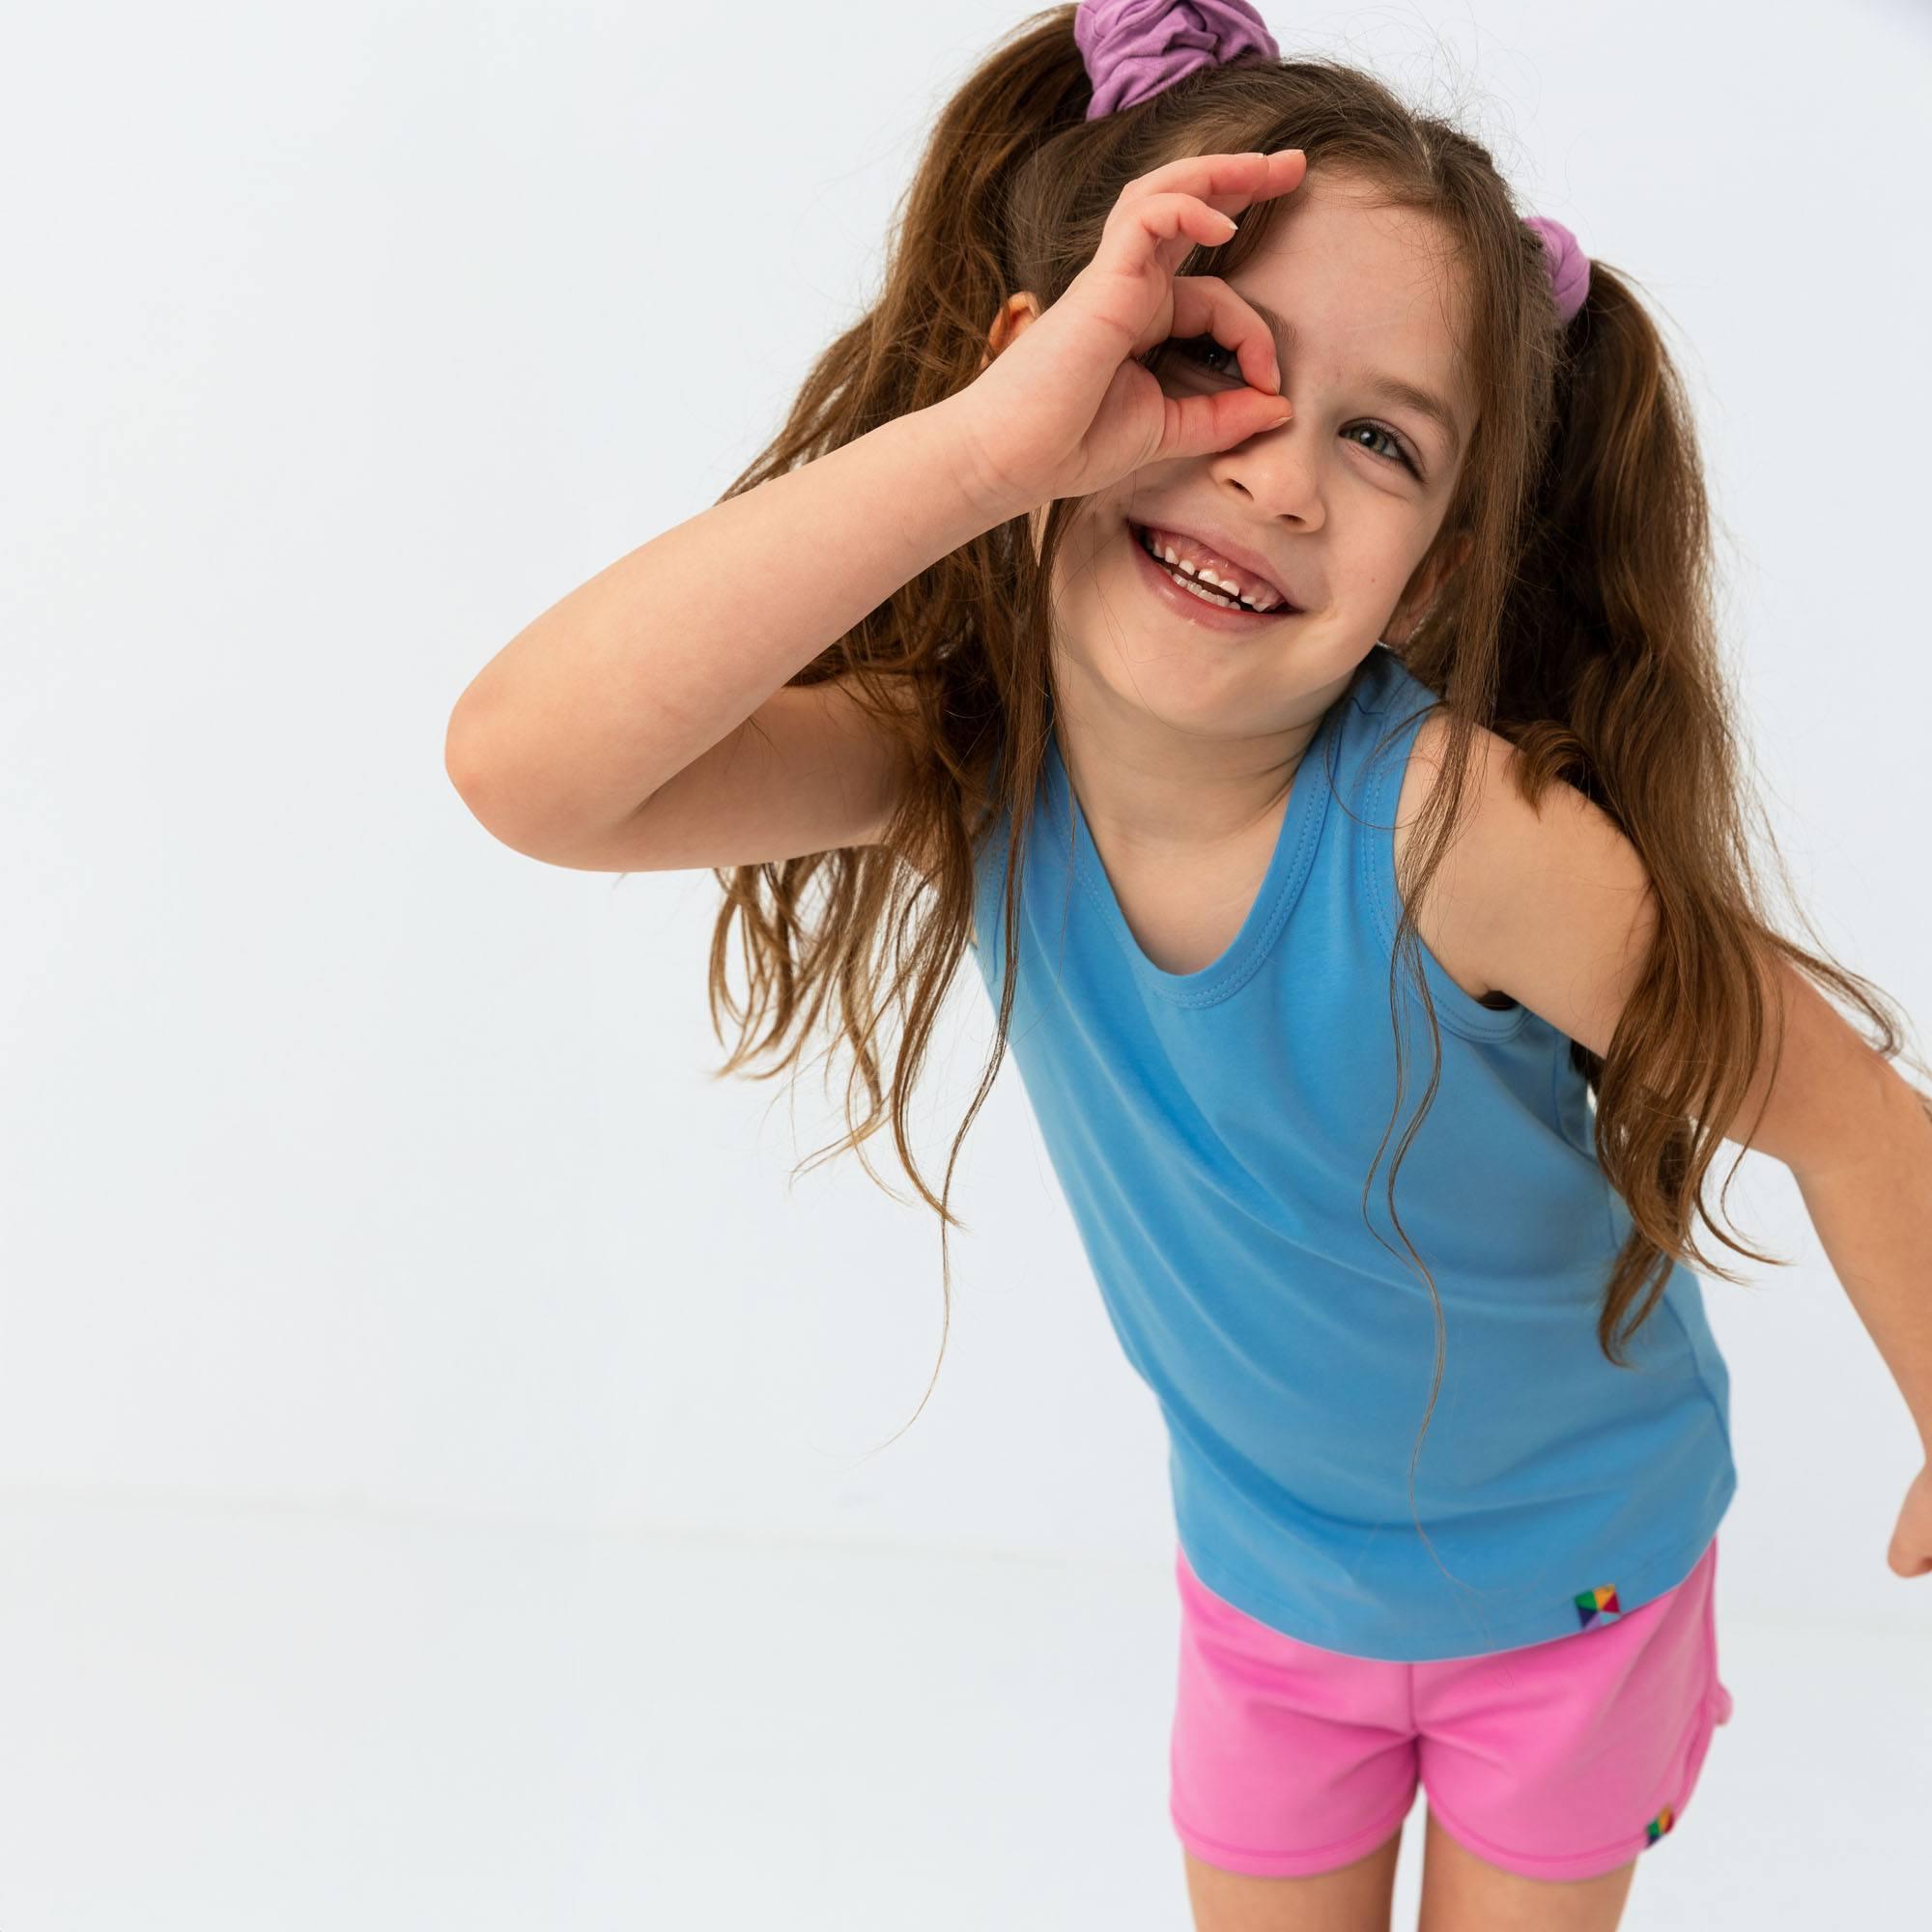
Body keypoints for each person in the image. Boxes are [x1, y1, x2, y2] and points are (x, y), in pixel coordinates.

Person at [444, 5, 1932, 1926]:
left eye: (1380, 440)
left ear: (1442, 567)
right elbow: (529, 769)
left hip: (1573, 1573)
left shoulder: (1454, 836)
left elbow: (1845, 1109)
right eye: (1207, 366)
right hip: (1268, 1585)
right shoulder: (960, 764)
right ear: (1055, 375)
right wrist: (983, 454)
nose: (1279, 476)